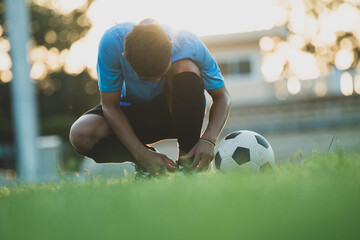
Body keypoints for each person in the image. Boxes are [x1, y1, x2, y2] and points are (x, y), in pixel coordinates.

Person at [69, 19, 231, 176]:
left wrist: (209, 139)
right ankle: (146, 164)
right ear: (125, 56)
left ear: (171, 47)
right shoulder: (112, 42)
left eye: (159, 75)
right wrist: (141, 154)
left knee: (186, 67)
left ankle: (187, 164)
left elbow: (222, 96)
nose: (154, 82)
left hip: (175, 114)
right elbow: (110, 107)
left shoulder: (187, 42)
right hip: (131, 117)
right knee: (80, 134)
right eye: (146, 77)